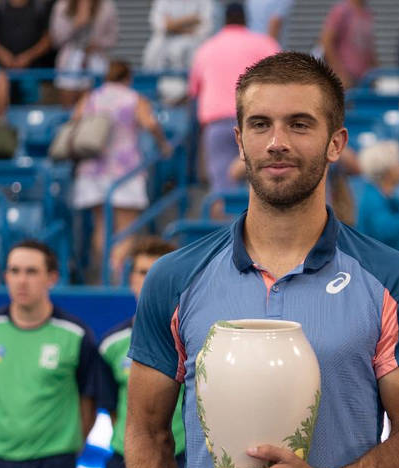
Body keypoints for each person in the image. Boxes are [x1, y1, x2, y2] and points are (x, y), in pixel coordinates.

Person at [125, 51, 399, 468]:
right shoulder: (173, 278)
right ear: (238, 140)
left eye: (299, 124)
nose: (277, 142)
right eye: (260, 124)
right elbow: (146, 433)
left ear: (336, 143)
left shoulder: (395, 278)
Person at [0, 240, 103, 468]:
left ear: (51, 277)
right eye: (14, 271)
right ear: (5, 276)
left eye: (31, 271)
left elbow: (88, 402)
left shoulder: (75, 335)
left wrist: (66, 447)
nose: (21, 280)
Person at [98, 236, 185, 468]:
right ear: (131, 279)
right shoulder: (111, 344)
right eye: (142, 272)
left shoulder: (197, 340)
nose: (149, 280)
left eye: (158, 272)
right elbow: (112, 407)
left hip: (182, 461)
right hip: (123, 465)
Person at [71, 60, 172, 283]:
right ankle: (115, 273)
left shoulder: (91, 97)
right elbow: (150, 124)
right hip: (125, 170)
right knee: (126, 229)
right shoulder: (134, 98)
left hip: (93, 170)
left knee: (101, 226)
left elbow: (74, 121)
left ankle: (105, 272)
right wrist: (164, 144)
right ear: (128, 78)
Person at [189, 2, 280, 200]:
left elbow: (193, 90)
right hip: (257, 122)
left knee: (221, 192)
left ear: (225, 20)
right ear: (245, 19)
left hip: (218, 124)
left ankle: (225, 230)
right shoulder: (263, 43)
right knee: (265, 187)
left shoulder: (206, 48)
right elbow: (283, 81)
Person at [50, 0, 119, 106]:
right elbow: (57, 38)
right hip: (69, 60)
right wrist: (77, 23)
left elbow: (113, 38)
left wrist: (97, 44)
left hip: (96, 58)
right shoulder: (63, 5)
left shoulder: (106, 5)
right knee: (68, 102)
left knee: (94, 102)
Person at [319, 0, 377, 89]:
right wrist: (339, 72)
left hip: (364, 79)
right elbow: (326, 41)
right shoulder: (342, 10)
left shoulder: (366, 13)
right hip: (346, 79)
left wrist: (378, 72)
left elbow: (369, 49)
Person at [142, 0, 213, 72]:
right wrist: (190, 20)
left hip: (191, 55)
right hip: (160, 55)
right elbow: (160, 26)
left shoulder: (204, 2)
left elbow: (205, 28)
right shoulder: (163, 2)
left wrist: (173, 24)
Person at [0, 0, 54, 69]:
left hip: (34, 71)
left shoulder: (40, 8)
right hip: (1, 69)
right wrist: (1, 53)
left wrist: (28, 57)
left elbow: (48, 40)